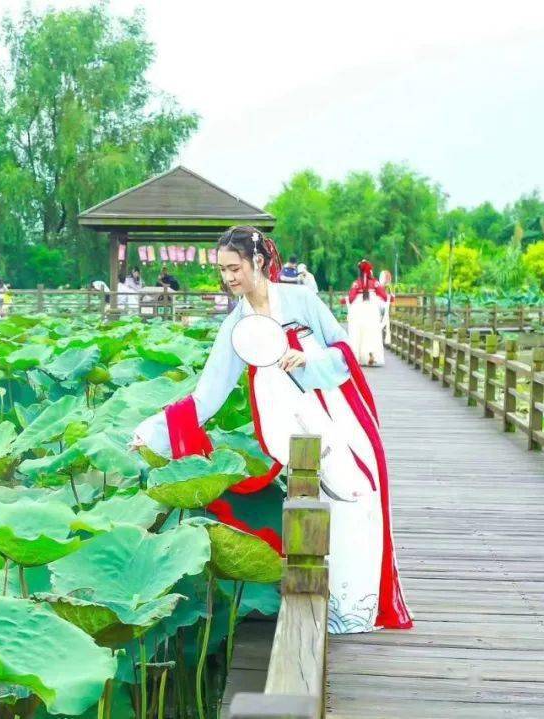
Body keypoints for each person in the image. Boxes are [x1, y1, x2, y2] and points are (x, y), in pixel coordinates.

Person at [130, 226, 412, 635]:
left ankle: (356, 611)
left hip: (338, 412)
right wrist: (154, 431)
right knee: (318, 503)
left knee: (360, 499)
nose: (228, 278)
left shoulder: (301, 299)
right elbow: (207, 396)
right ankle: (325, 610)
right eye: (223, 270)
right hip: (291, 425)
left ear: (257, 261)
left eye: (234, 267)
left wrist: (307, 362)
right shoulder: (235, 326)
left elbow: (344, 348)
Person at [346, 260, 388, 366]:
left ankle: (357, 357)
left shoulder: (356, 283)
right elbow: (384, 296)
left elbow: (351, 298)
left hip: (358, 309)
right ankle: (371, 353)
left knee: (357, 333)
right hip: (371, 310)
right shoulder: (375, 283)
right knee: (372, 332)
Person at [378, 270, 394, 346]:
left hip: (385, 307)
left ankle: (384, 339)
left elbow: (392, 298)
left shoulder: (388, 288)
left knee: (385, 321)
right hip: (379, 307)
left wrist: (389, 288)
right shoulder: (379, 287)